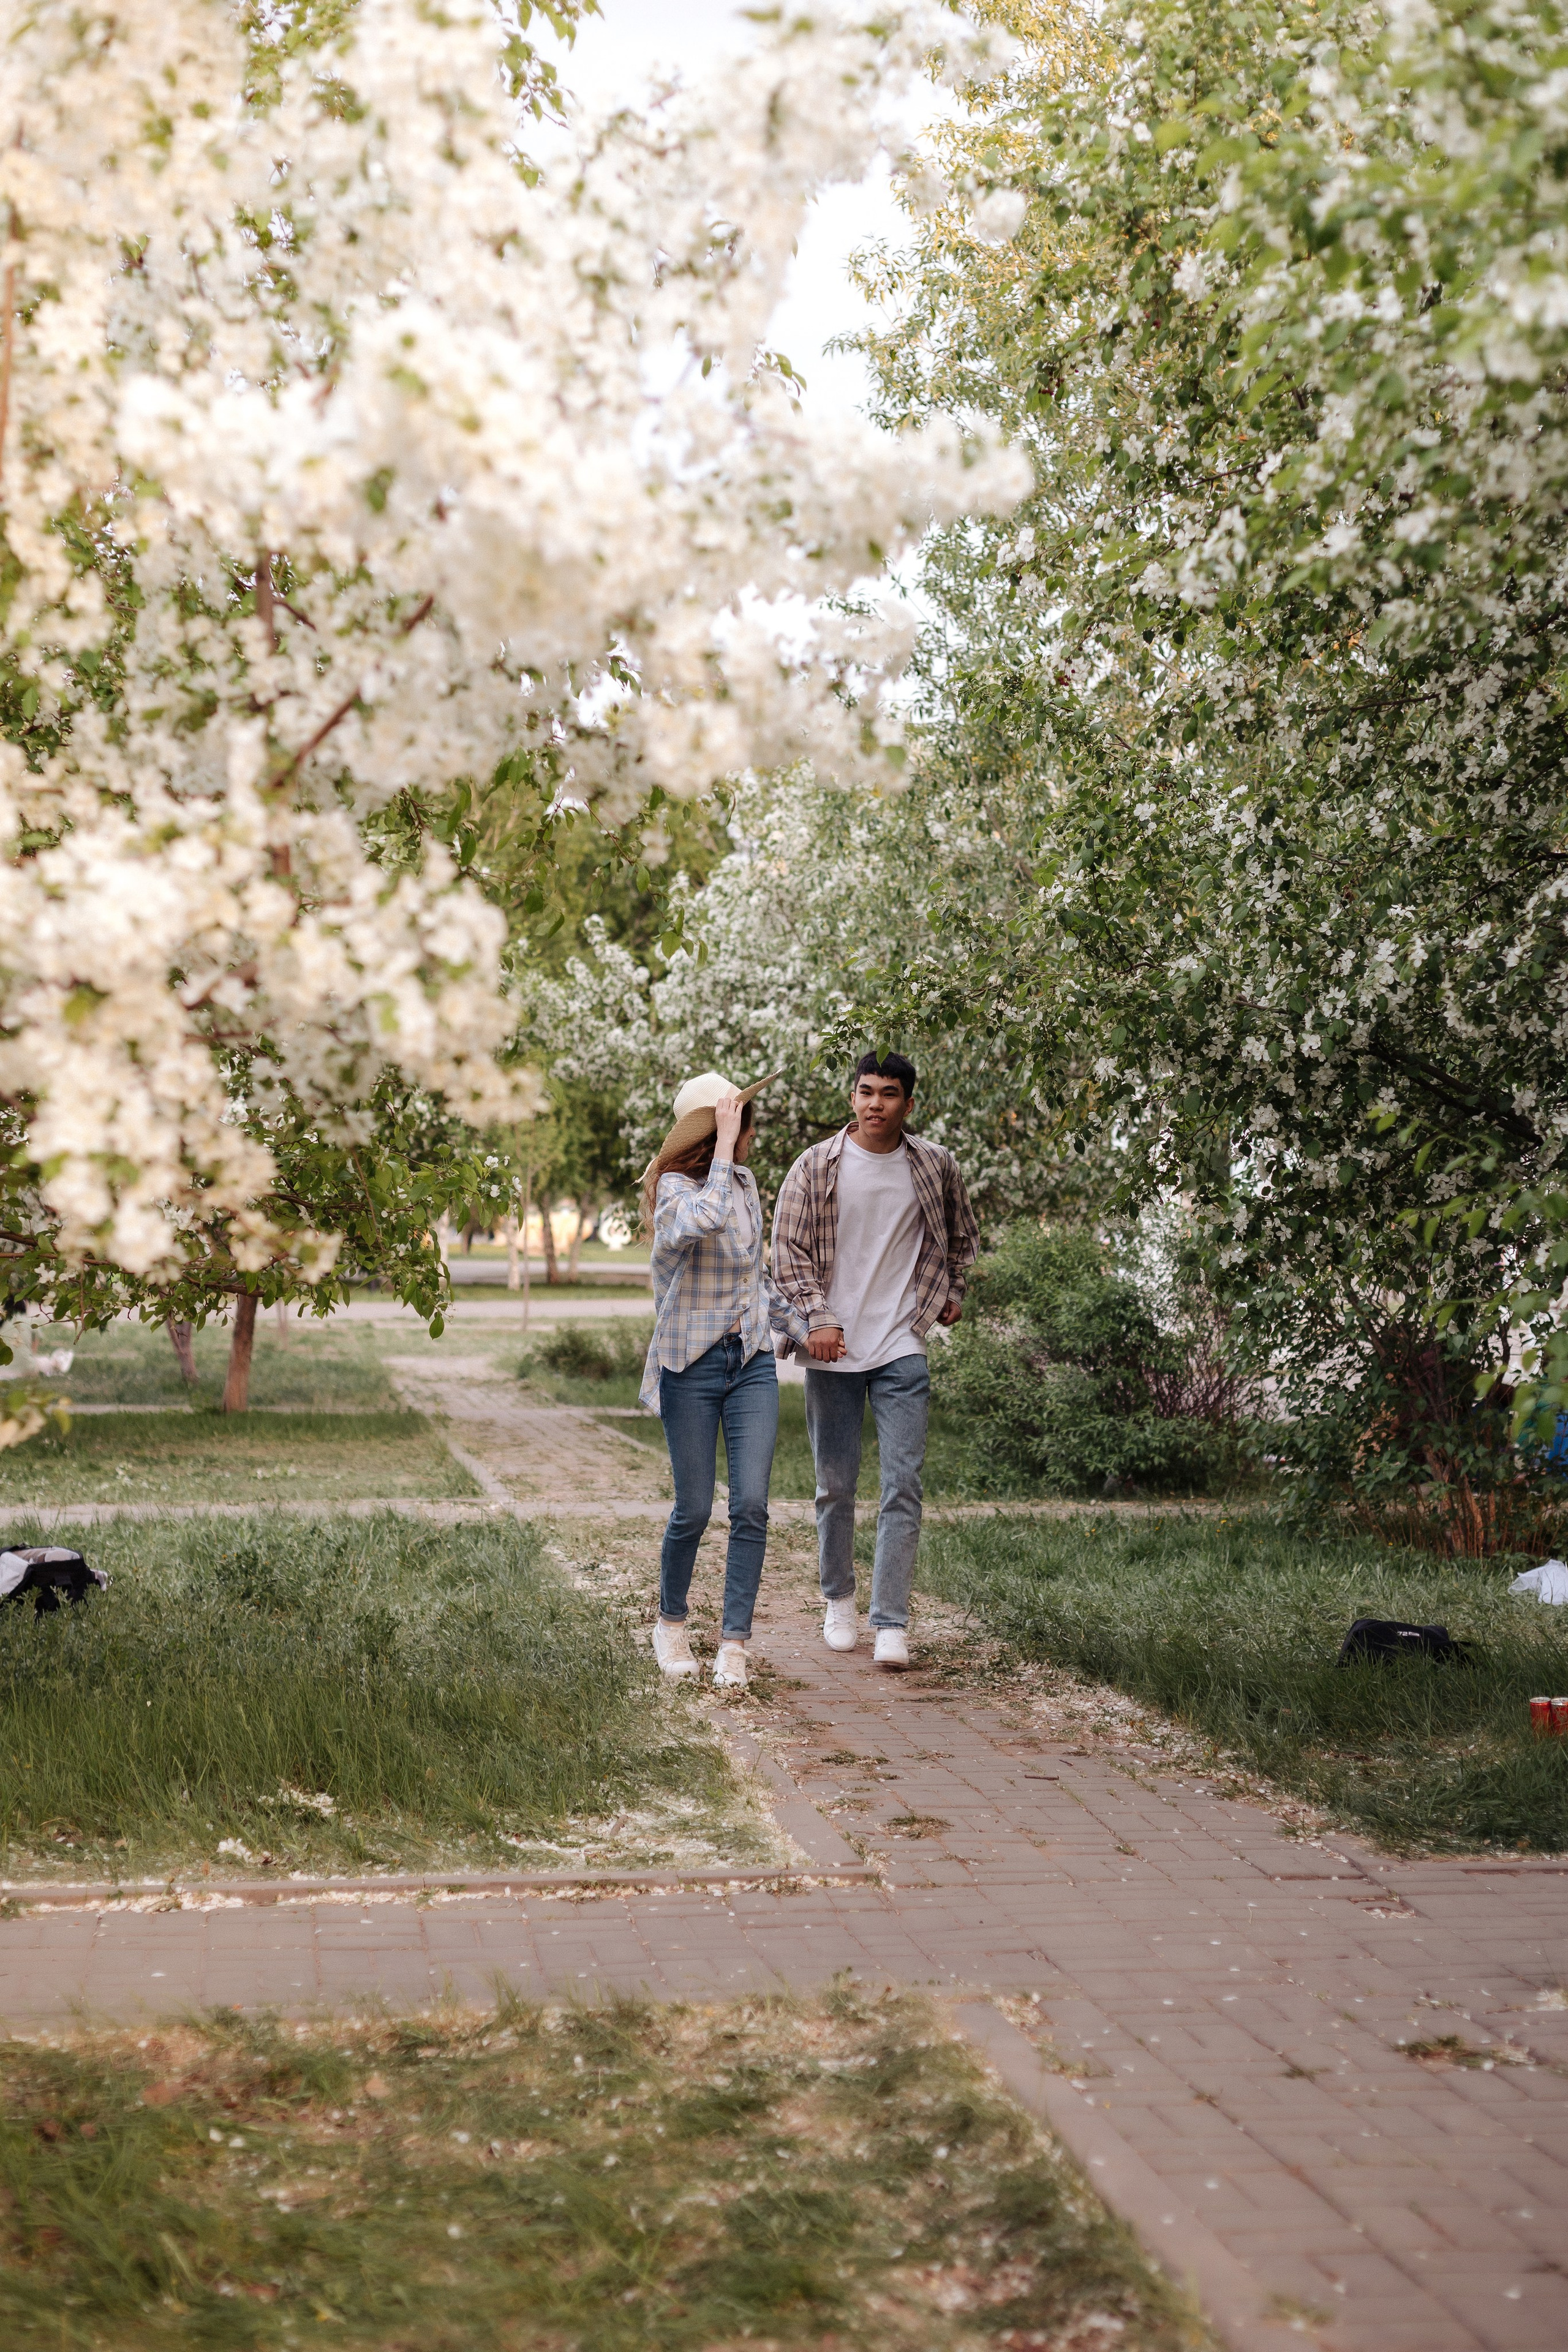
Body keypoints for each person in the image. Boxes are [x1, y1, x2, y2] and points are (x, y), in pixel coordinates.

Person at [771, 1051, 978, 1670]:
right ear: (852, 1096)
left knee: (902, 1485)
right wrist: (819, 1317)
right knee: (834, 1488)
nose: (875, 1104)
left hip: (900, 1344)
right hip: (832, 1351)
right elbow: (786, 1251)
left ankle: (891, 1622)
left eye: (889, 1094)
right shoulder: (815, 1165)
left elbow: (963, 1238)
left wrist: (952, 1294)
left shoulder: (935, 1165)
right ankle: (838, 1598)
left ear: (909, 1104)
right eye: (865, 1092)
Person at [639, 1070, 804, 1691]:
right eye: (738, 1121)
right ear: (718, 1130)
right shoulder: (676, 1190)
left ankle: (734, 1642)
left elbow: (750, 1280)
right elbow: (699, 1224)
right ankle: (671, 1623)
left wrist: (802, 1324)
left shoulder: (744, 1183)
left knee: (752, 1505)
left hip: (750, 1361)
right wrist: (727, 1144)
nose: (751, 1132)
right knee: (694, 1508)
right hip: (691, 1362)